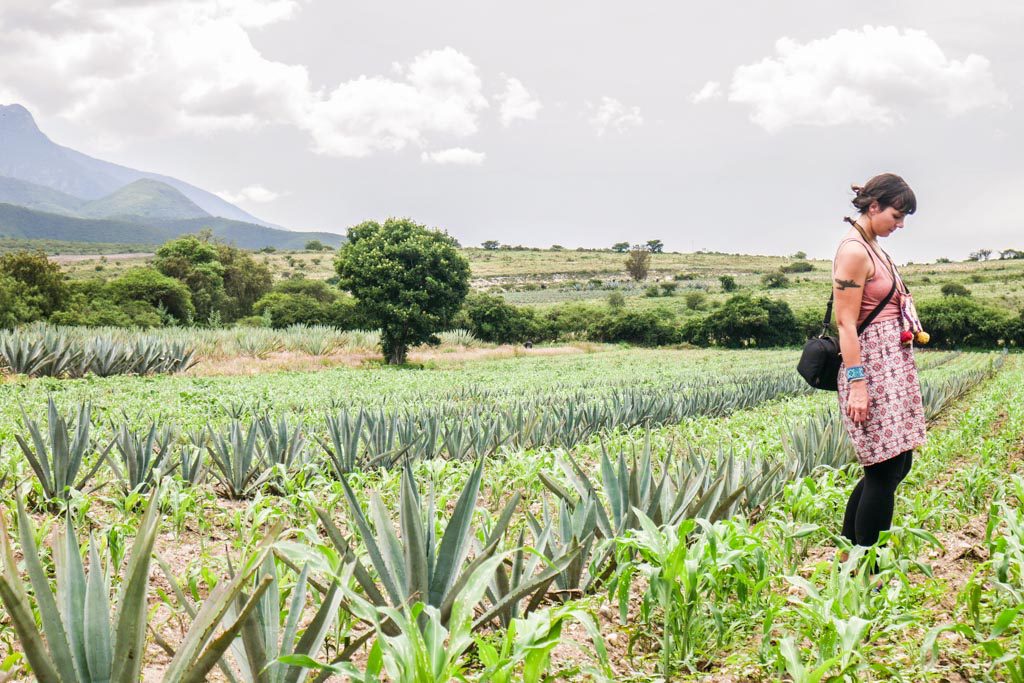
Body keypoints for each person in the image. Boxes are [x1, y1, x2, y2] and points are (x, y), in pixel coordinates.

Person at [832, 173, 926, 555]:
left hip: (892, 364)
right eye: (897, 216)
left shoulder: (874, 246)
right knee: (883, 470)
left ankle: (849, 553)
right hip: (870, 367)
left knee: (896, 466)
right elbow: (846, 322)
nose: (900, 225)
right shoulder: (854, 251)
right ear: (874, 208)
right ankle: (866, 567)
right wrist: (857, 383)